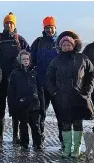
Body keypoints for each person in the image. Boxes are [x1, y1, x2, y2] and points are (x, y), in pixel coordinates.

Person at [46, 31, 94, 158]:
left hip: (79, 96)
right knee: (65, 123)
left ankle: (77, 148)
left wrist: (87, 90)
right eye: (64, 45)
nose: (66, 47)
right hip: (62, 98)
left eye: (69, 45)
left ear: (73, 45)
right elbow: (49, 78)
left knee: (77, 123)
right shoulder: (56, 61)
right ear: (60, 46)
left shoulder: (82, 58)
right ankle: (67, 147)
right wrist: (55, 92)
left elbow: (92, 74)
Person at [0, 12, 31, 146]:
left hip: (16, 81)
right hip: (0, 79)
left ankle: (15, 136)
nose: (8, 25)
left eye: (11, 23)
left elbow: (29, 57)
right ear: (4, 25)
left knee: (16, 108)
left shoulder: (20, 40)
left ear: (14, 25)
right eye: (6, 23)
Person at [30, 16, 59, 150]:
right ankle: (38, 140)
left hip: (57, 85)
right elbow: (31, 60)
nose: (49, 30)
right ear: (44, 28)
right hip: (41, 84)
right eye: (47, 28)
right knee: (40, 113)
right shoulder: (38, 42)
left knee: (61, 114)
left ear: (55, 28)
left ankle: (63, 141)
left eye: (51, 27)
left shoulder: (60, 42)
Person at [8, 50, 44, 151]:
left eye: (27, 59)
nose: (25, 61)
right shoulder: (15, 73)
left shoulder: (34, 72)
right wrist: (12, 108)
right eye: (23, 59)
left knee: (35, 125)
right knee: (23, 125)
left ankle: (38, 144)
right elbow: (11, 92)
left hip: (34, 103)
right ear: (19, 60)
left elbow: (40, 90)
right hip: (21, 104)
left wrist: (42, 105)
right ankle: (24, 144)